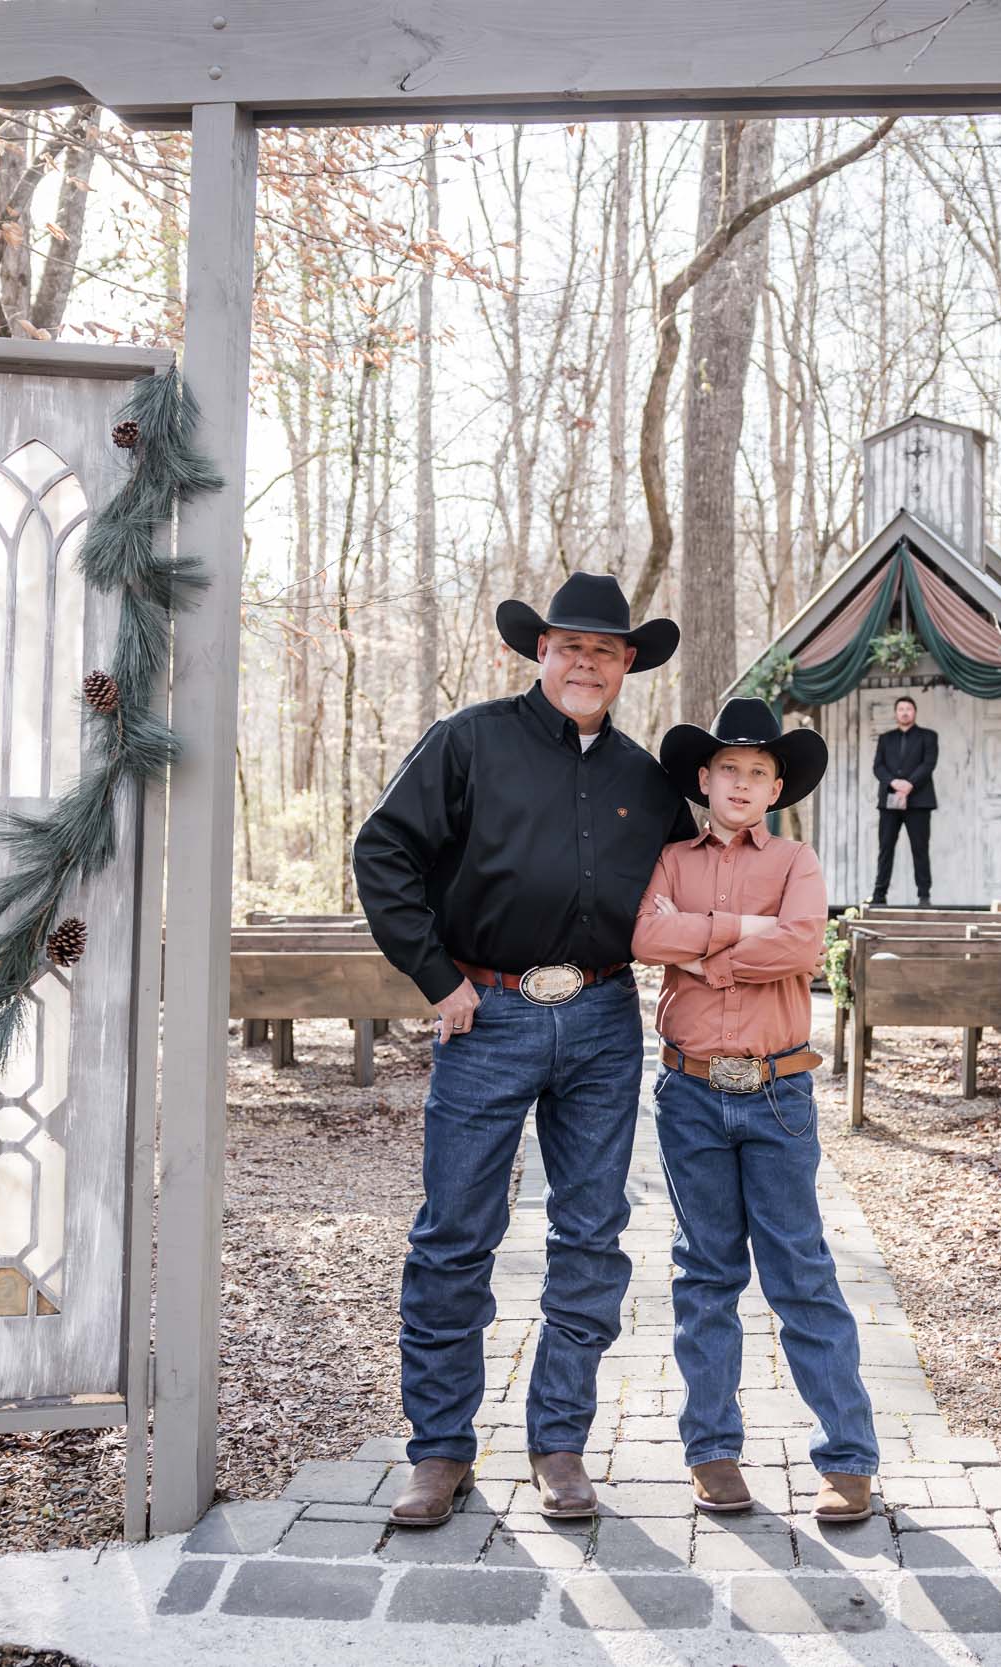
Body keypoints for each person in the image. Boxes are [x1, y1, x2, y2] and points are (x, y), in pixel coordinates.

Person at [352, 572, 695, 1528]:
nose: (586, 661)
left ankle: (559, 1444)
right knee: (456, 1234)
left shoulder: (648, 781)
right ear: (539, 651)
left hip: (600, 1022)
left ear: (629, 665)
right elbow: (382, 851)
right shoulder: (468, 742)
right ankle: (440, 1451)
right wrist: (437, 977)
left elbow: (683, 895)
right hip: (487, 1014)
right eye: (568, 644)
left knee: (590, 1234)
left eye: (606, 649)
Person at [631, 697, 881, 1522]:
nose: (741, 784)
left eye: (758, 773)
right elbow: (644, 936)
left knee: (800, 1270)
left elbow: (804, 945)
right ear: (703, 781)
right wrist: (744, 932)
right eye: (728, 770)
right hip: (691, 1090)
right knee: (706, 1271)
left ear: (776, 789)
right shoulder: (669, 859)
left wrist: (705, 952)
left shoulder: (796, 862)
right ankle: (712, 1450)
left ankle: (846, 1456)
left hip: (778, 1092)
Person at [871, 694, 937, 906]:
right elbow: (878, 767)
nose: (905, 712)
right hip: (890, 800)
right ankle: (879, 895)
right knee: (885, 848)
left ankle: (924, 896)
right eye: (901, 709)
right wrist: (894, 782)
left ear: (914, 712)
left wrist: (910, 784)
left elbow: (928, 764)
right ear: (896, 713)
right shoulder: (885, 738)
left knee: (920, 848)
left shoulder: (928, 736)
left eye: (908, 708)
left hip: (918, 801)